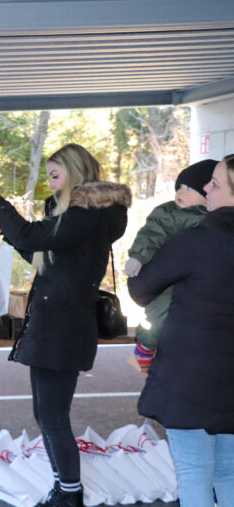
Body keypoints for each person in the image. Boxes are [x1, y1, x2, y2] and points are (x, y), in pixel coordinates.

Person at [0, 143, 131, 507]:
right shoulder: (82, 216)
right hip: (59, 323)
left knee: (53, 415)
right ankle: (64, 488)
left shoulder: (86, 214)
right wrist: (8, 233)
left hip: (63, 325)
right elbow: (44, 258)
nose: (50, 181)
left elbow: (33, 238)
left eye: (55, 174)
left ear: (75, 172)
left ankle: (69, 494)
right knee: (47, 414)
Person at [128, 155, 234, 507]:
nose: (206, 188)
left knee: (194, 473)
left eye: (215, 184)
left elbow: (141, 290)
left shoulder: (195, 240)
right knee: (229, 473)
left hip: (190, 378)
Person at [124, 159, 218, 372]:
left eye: (188, 188)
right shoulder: (167, 213)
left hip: (192, 285)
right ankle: (145, 348)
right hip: (166, 280)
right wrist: (137, 257)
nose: (181, 192)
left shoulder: (214, 218)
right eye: (179, 187)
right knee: (157, 315)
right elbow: (149, 235)